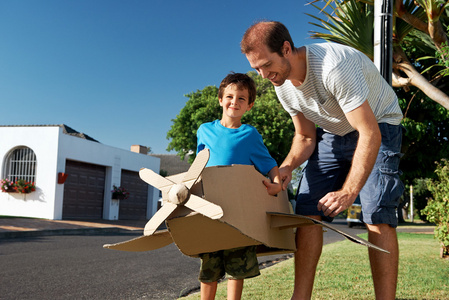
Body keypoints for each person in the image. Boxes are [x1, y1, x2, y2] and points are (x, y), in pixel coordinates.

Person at [241, 21, 404, 300]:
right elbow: (305, 137)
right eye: (257, 68)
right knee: (307, 211)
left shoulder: (333, 67)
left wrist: (348, 191)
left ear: (286, 48)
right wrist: (287, 167)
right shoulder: (283, 86)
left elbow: (369, 132)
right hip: (332, 131)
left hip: (379, 124)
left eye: (267, 65)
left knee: (377, 213)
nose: (264, 74)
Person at [196, 72, 282, 300]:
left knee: (236, 268)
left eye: (241, 98)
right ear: (220, 99)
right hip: (210, 210)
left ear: (249, 106)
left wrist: (276, 184)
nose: (234, 102)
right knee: (209, 268)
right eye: (230, 96)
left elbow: (270, 164)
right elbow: (198, 167)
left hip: (240, 214)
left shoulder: (250, 135)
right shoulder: (204, 130)